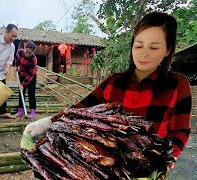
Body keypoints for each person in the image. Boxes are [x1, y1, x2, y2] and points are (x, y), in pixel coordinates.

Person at [23, 12, 192, 166]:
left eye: (154, 47)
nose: (144, 53)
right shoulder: (114, 81)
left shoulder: (178, 84)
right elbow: (81, 110)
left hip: (147, 166)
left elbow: (181, 132)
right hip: (110, 164)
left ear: (167, 50)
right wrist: (49, 121)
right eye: (139, 45)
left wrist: (163, 160)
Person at [13, 42, 38, 119]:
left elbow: (31, 74)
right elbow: (17, 59)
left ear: (33, 52)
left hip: (31, 76)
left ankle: (32, 111)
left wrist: (22, 84)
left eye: (30, 53)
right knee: (21, 92)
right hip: (21, 74)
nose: (27, 54)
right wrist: (17, 66)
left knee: (31, 93)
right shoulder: (19, 52)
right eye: (26, 52)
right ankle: (20, 111)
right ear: (24, 49)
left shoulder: (34, 59)